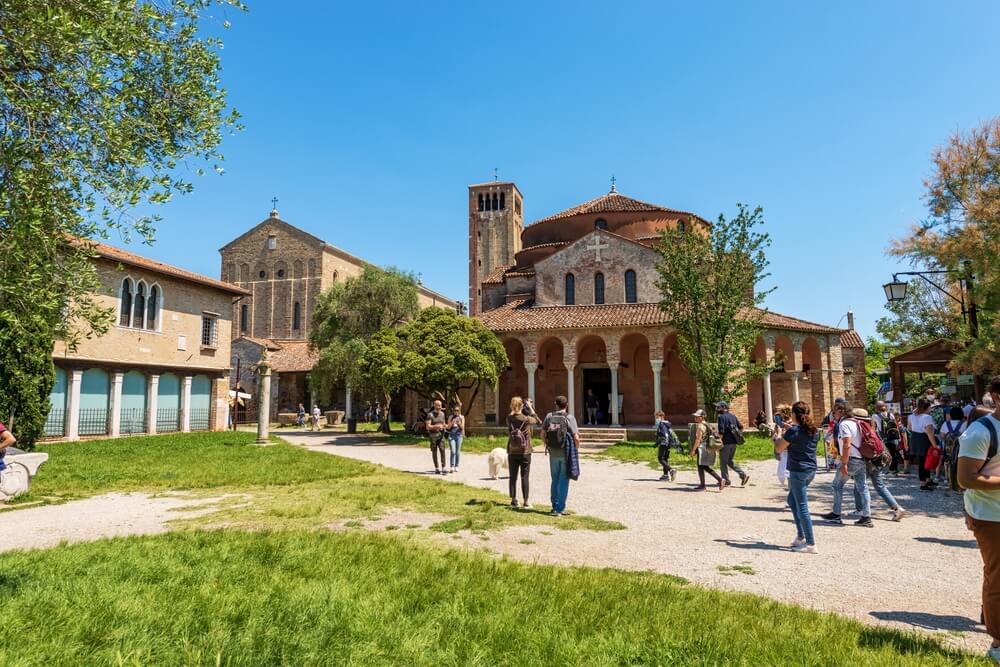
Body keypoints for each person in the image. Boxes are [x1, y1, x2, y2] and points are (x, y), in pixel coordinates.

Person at [958, 377, 1000, 663]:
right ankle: (997, 643)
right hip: (991, 515)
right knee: (998, 577)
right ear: (996, 397)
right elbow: (965, 478)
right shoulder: (981, 431)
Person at [772, 401, 820, 553]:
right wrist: (789, 429)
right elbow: (800, 436)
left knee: (802, 506)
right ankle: (801, 536)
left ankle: (811, 544)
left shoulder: (793, 432)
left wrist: (779, 433)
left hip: (798, 471)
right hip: (810, 470)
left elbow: (779, 448)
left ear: (793, 414)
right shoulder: (814, 430)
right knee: (791, 500)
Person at [823, 406, 873, 527]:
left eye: (834, 412)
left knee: (837, 485)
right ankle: (866, 517)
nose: (833, 414)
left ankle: (836, 514)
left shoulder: (844, 424)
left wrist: (844, 463)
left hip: (850, 459)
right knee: (863, 487)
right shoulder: (858, 423)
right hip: (861, 458)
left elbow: (846, 444)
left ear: (841, 412)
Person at [857, 408, 907, 522]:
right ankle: (897, 508)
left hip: (869, 461)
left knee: (859, 484)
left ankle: (859, 509)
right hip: (879, 459)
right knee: (880, 486)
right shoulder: (873, 427)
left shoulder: (861, 429)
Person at [541, 395, 580, 516]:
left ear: (556, 404)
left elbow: (542, 433)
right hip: (565, 452)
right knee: (564, 479)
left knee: (555, 479)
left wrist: (547, 444)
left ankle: (554, 506)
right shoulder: (569, 417)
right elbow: (576, 437)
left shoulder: (549, 416)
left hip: (553, 451)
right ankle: (560, 508)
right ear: (566, 405)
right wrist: (576, 448)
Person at [507, 396, 541, 508]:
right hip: (525, 451)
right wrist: (530, 407)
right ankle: (526, 501)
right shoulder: (526, 419)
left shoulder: (509, 418)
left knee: (513, 476)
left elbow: (512, 416)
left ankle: (513, 500)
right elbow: (537, 420)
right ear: (522, 406)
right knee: (524, 476)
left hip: (512, 450)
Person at [715, 401, 749, 487]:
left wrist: (718, 443)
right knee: (729, 461)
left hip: (725, 443)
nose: (716, 409)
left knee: (723, 463)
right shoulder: (733, 416)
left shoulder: (721, 417)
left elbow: (721, 432)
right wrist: (737, 436)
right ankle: (743, 475)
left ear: (723, 407)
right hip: (734, 443)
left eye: (718, 407)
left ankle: (726, 481)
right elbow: (741, 427)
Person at [908, 398, 938, 491]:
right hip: (924, 439)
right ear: (927, 408)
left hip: (915, 437)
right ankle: (923, 483)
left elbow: (909, 427)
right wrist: (935, 445)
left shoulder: (911, 416)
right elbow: (929, 432)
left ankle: (928, 479)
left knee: (924, 460)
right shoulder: (927, 417)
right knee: (923, 462)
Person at [690, 409, 724, 491]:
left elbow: (698, 439)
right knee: (703, 466)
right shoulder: (708, 424)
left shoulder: (700, 426)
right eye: (695, 416)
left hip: (702, 448)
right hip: (708, 447)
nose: (695, 418)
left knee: (701, 466)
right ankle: (716, 480)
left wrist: (693, 450)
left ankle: (705, 484)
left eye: (697, 416)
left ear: (702, 417)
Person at [873, 401, 904, 475]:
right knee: (894, 453)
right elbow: (895, 425)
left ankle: (885, 469)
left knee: (885, 453)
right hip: (893, 436)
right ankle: (894, 469)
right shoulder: (891, 414)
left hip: (883, 437)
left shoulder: (875, 416)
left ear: (877, 408)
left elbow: (874, 427)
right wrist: (898, 436)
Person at [425, 399, 448, 474]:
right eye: (438, 405)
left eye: (440, 405)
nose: (440, 407)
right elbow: (428, 427)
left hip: (441, 435)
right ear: (434, 405)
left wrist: (445, 426)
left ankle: (444, 468)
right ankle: (437, 468)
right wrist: (436, 426)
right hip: (433, 436)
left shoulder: (442, 414)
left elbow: (443, 423)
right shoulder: (430, 415)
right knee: (434, 452)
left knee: (442, 450)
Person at [654, 410, 678, 482]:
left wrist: (663, 441)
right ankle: (665, 476)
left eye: (657, 417)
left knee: (660, 458)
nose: (656, 419)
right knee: (665, 459)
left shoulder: (662, 424)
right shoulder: (667, 424)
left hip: (664, 443)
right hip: (668, 444)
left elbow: (665, 434)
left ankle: (671, 470)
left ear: (662, 416)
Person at [774, 404, 792, 486]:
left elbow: (779, 438)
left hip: (788, 451)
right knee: (783, 473)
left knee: (785, 472)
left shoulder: (790, 425)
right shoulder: (787, 425)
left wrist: (779, 433)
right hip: (784, 451)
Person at [446, 404, 465, 474]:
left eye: (457, 410)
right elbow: (448, 427)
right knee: (453, 451)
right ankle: (451, 466)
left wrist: (459, 423)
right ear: (453, 411)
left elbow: (463, 427)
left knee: (457, 452)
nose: (456, 412)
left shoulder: (462, 417)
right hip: (452, 436)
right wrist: (452, 422)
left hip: (459, 436)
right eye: (455, 410)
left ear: (459, 411)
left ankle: (457, 465)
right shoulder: (451, 417)